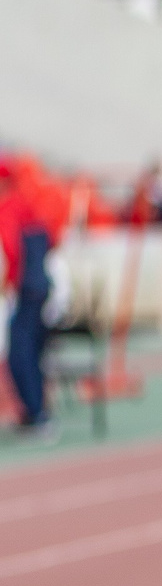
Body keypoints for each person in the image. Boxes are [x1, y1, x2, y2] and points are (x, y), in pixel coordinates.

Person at [1, 162, 53, 439]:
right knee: (32, 351)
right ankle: (36, 411)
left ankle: (36, 413)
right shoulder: (29, 203)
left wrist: (9, 283)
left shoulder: (8, 207)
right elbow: (52, 238)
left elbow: (10, 250)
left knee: (21, 353)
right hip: (40, 285)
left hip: (25, 288)